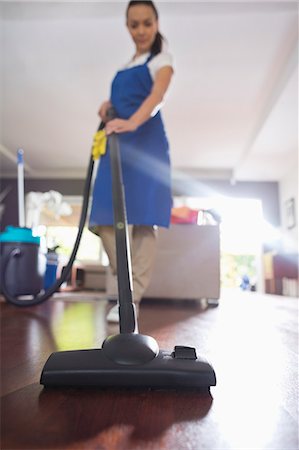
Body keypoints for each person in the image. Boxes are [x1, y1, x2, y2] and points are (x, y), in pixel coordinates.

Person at [89, 0, 174, 322]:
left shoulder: (162, 59)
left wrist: (134, 121)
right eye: (134, 24)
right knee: (102, 214)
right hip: (119, 144)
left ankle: (132, 298)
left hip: (147, 143)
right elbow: (125, 98)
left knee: (144, 218)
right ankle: (125, 285)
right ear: (127, 27)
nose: (141, 30)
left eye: (147, 23)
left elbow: (157, 96)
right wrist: (108, 103)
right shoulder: (127, 64)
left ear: (156, 23)